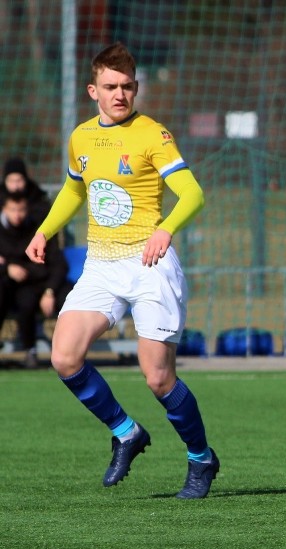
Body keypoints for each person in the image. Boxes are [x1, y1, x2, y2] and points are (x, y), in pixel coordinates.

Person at [25, 43, 219, 499]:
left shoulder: (153, 134)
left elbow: (192, 194)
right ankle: (126, 432)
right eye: (111, 86)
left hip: (149, 264)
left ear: (136, 89)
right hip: (101, 265)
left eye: (127, 86)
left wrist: (166, 229)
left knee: (158, 378)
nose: (120, 94)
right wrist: (44, 231)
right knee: (64, 357)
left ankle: (201, 458)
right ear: (93, 89)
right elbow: (75, 191)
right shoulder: (81, 138)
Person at [0, 193, 70, 368]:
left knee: (71, 300)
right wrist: (7, 267)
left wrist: (49, 291)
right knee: (25, 302)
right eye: (12, 210)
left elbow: (59, 264)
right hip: (24, 286)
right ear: (4, 210)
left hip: (46, 283)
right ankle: (30, 350)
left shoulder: (39, 232)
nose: (17, 214)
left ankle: (71, 350)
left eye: (21, 210)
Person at [2, 157, 52, 224]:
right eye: (11, 181)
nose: (15, 186)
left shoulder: (38, 197)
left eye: (19, 180)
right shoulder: (1, 198)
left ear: (25, 180)